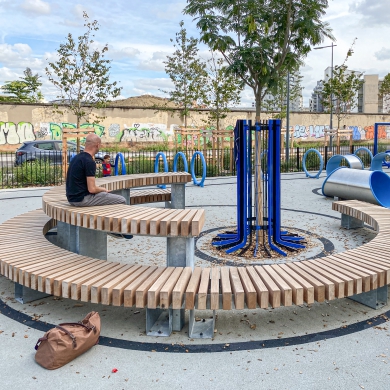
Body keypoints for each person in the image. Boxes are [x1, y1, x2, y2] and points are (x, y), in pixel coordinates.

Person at [66, 134, 131, 238]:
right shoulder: (89, 161)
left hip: (71, 198)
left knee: (107, 198)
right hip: (82, 199)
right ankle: (113, 229)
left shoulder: (77, 158)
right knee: (121, 200)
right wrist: (103, 189)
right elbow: (92, 189)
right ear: (97, 145)